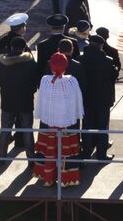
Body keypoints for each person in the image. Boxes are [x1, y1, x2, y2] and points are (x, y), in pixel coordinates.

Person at [33, 53, 84, 187]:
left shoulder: (45, 80)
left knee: (50, 152)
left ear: (51, 65)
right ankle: (65, 180)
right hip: (67, 126)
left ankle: (48, 178)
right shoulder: (72, 81)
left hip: (49, 125)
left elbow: (41, 101)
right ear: (66, 65)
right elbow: (77, 101)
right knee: (66, 153)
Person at [0, 38, 41, 158]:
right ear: (24, 47)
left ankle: (2, 154)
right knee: (27, 130)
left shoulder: (2, 61)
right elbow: (35, 80)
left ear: (11, 46)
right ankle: (30, 156)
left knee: (5, 129)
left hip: (7, 99)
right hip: (25, 100)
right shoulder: (30, 62)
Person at [79, 31, 119, 161]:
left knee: (87, 126)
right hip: (103, 99)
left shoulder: (81, 60)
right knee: (102, 126)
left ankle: (86, 151)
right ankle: (101, 154)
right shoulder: (108, 61)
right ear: (101, 46)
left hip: (86, 98)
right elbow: (113, 77)